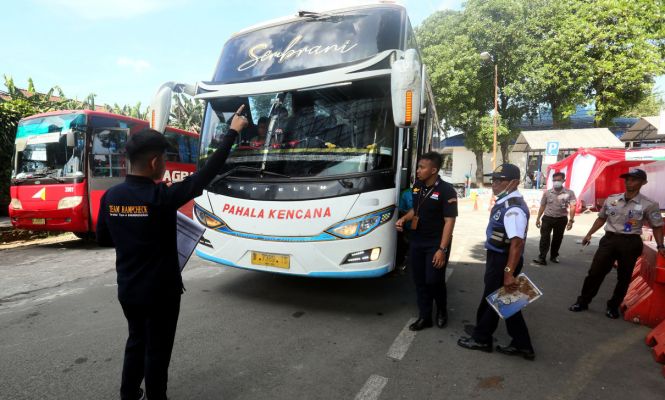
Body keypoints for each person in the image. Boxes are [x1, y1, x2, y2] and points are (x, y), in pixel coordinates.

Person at [96, 106, 248, 400]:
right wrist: (233, 132)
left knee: (136, 341)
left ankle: (129, 394)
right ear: (154, 162)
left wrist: (134, 230)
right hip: (160, 292)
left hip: (128, 288)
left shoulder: (111, 197)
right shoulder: (161, 197)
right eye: (164, 159)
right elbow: (204, 176)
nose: (165, 163)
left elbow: (104, 238)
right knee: (158, 350)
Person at [457, 163, 535, 360]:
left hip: (504, 260)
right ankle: (521, 344)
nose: (495, 184)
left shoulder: (513, 208)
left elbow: (517, 243)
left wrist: (508, 272)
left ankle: (482, 338)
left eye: (500, 180)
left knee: (495, 300)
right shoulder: (506, 202)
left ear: (514, 182)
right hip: (500, 258)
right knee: (506, 300)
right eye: (494, 180)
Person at [569, 168, 665, 319]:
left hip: (630, 242)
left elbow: (657, 226)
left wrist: (660, 246)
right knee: (595, 272)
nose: (629, 182)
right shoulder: (612, 199)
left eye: (633, 179)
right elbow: (601, 218)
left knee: (624, 276)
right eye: (627, 179)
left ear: (643, 183)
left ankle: (613, 306)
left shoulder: (649, 204)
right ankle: (583, 301)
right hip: (609, 240)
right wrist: (589, 234)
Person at [396, 152, 458, 331]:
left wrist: (442, 249)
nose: (418, 170)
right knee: (420, 280)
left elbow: (450, 221)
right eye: (418, 167)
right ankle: (425, 316)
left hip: (436, 244)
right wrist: (404, 219)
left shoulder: (447, 190)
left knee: (434, 280)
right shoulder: (417, 186)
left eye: (422, 167)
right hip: (417, 241)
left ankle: (441, 310)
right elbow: (415, 210)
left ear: (434, 170)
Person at [533, 172, 577, 265]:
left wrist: (571, 220)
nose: (556, 182)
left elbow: (573, 206)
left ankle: (554, 256)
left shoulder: (569, 193)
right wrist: (538, 218)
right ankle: (542, 257)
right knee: (544, 238)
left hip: (561, 219)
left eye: (559, 180)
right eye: (554, 180)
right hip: (547, 218)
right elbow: (542, 205)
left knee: (557, 239)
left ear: (563, 180)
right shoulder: (547, 193)